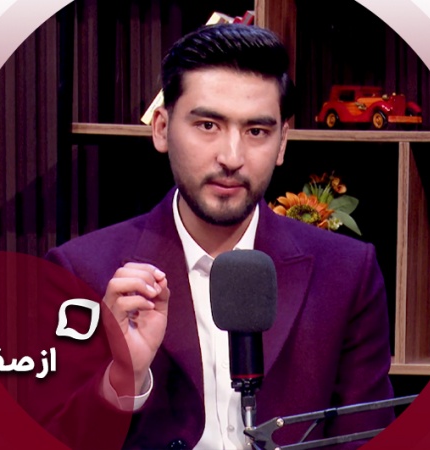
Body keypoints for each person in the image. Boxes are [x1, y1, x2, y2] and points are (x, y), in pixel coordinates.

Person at [28, 23, 394, 450]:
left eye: (256, 132)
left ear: (282, 143)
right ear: (161, 128)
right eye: (207, 125)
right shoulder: (80, 271)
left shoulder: (347, 272)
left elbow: (366, 434)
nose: (231, 157)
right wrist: (122, 378)